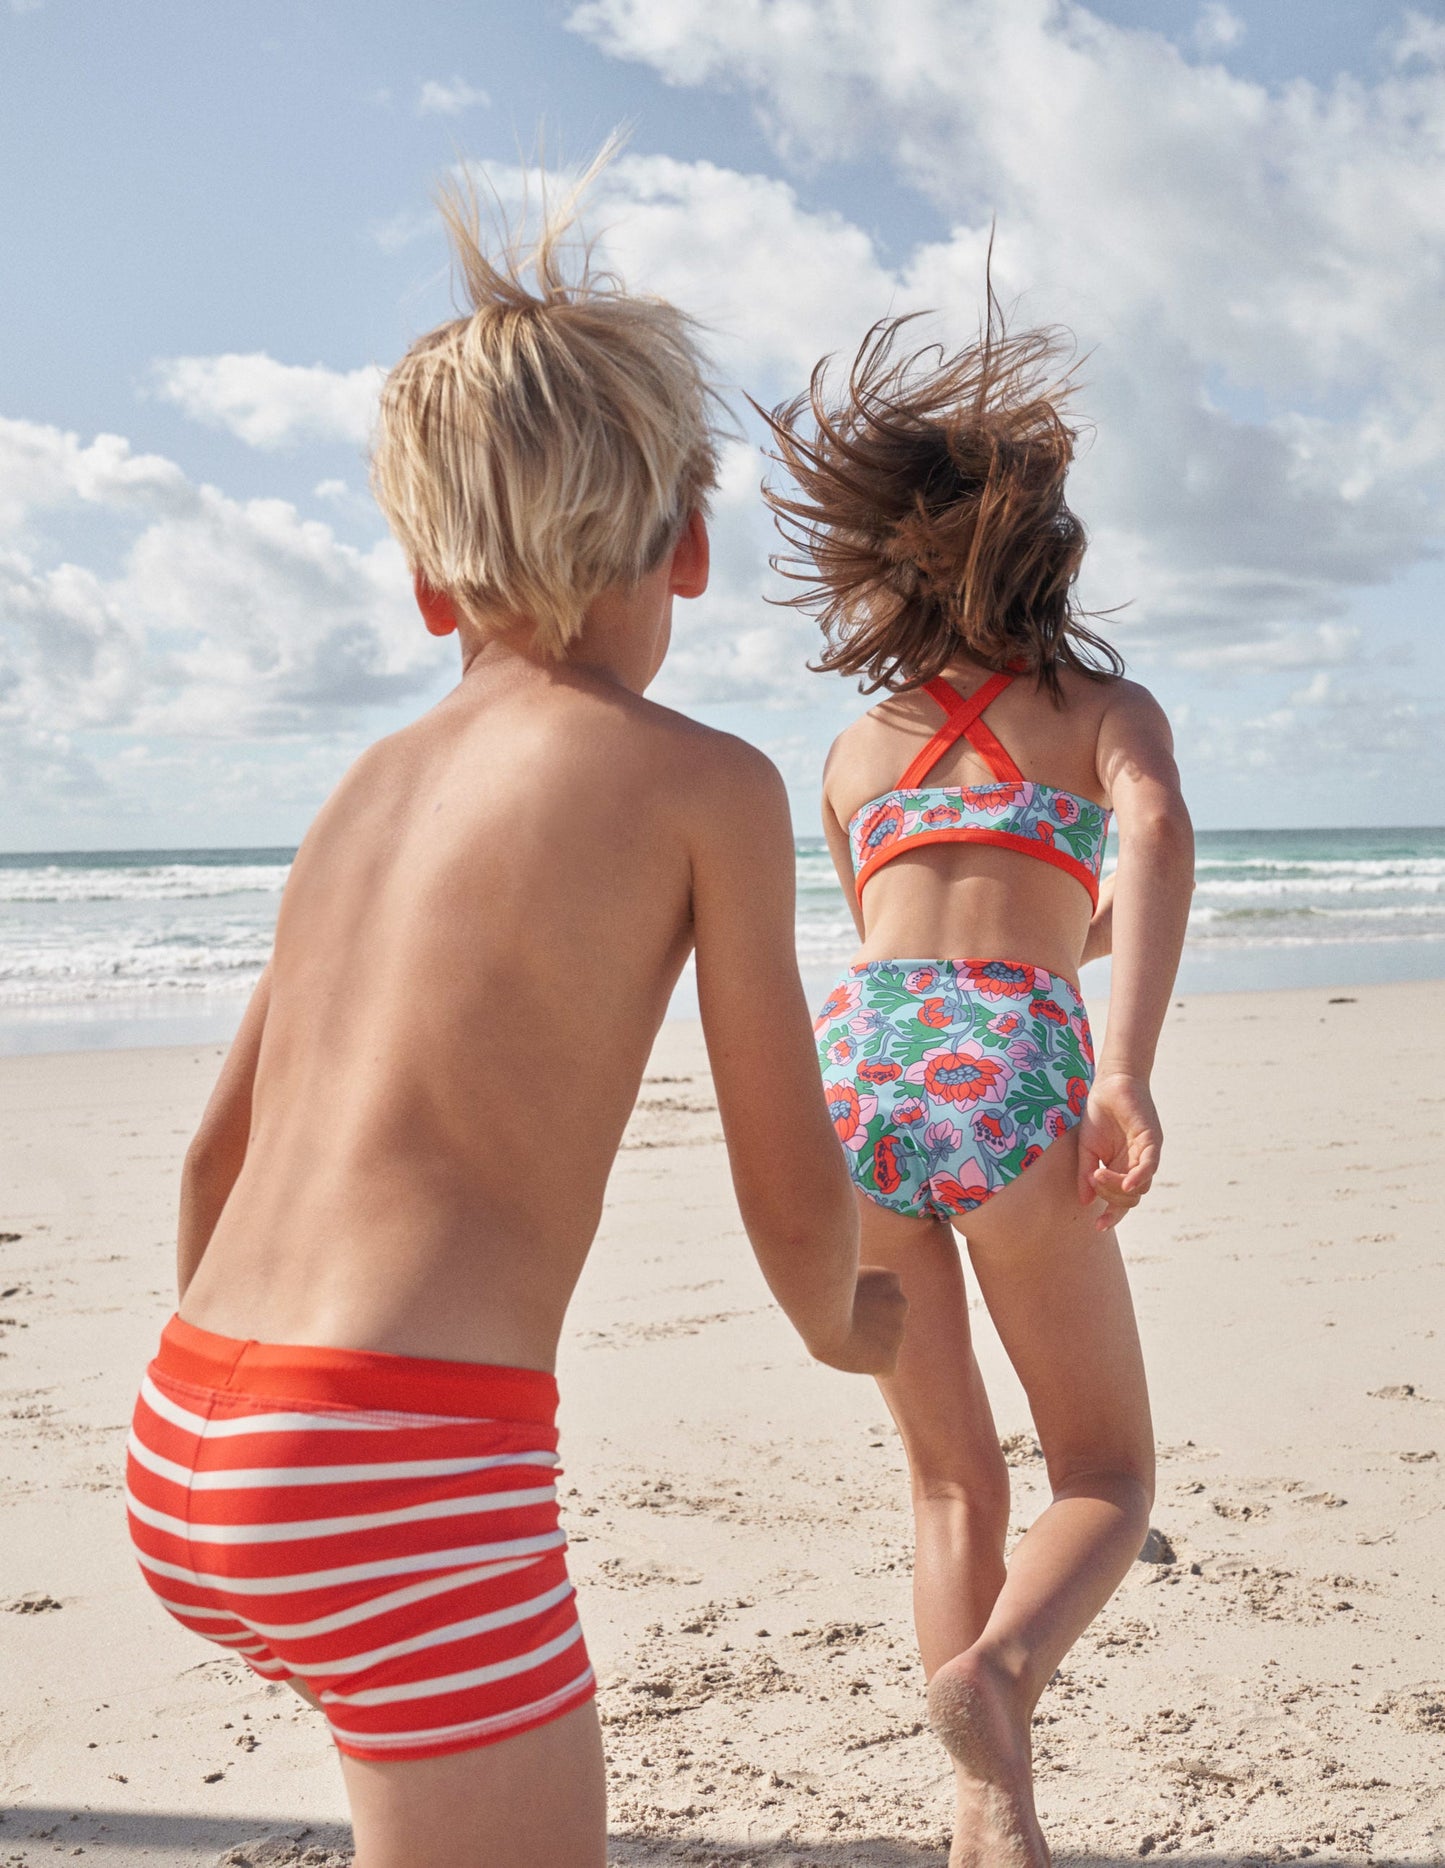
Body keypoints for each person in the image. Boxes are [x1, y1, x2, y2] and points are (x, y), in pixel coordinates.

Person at [123, 151, 905, 1868]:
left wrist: (256, 1442)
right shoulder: (696, 786)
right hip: (392, 1468)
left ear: (421, 586)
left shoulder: (362, 790)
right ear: (692, 544)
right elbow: (789, 1191)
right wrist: (855, 1323)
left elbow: (209, 1163)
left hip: (190, 1427)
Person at [760, 300, 1194, 1866]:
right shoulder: (1100, 715)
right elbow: (1147, 835)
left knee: (950, 1482)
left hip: (856, 1075)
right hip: (1009, 1058)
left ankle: (982, 1807)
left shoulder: (855, 748)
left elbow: (875, 931)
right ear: (1048, 565)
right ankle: (997, 1676)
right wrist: (1122, 1068)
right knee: (1104, 1468)